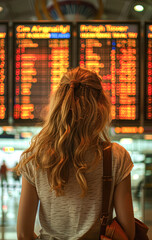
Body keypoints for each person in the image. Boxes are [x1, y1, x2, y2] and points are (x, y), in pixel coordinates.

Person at [14, 67, 135, 240]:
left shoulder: (35, 157)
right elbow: (127, 233)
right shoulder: (117, 156)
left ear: (57, 104)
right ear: (100, 107)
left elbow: (23, 234)